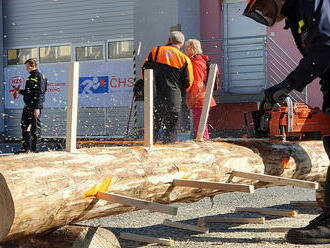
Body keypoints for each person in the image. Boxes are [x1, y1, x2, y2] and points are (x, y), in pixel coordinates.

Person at [243, 0, 330, 244]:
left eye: (263, 5)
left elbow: (325, 47)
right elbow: (319, 59)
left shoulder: (309, 3)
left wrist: (288, 84)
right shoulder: (295, 17)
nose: (264, 13)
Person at [142, 31, 194, 144]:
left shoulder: (155, 51)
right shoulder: (184, 59)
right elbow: (189, 82)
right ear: (181, 43)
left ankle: (147, 153)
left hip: (155, 96)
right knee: (171, 129)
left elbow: (144, 70)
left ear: (169, 40)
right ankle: (169, 154)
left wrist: (151, 86)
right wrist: (181, 92)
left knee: (153, 128)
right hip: (174, 99)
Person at [185, 39, 218, 140]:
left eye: (186, 49)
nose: (185, 51)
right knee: (202, 125)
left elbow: (197, 83)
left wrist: (191, 100)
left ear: (191, 49)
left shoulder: (196, 63)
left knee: (200, 127)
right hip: (203, 97)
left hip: (199, 99)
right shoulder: (201, 60)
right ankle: (203, 142)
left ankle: (203, 144)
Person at [15, 58, 47, 153]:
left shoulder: (39, 76)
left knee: (35, 128)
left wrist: (37, 108)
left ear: (33, 66)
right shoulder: (30, 77)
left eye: (27, 66)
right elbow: (29, 92)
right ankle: (26, 148)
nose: (26, 68)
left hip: (34, 107)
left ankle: (35, 150)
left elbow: (40, 93)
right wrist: (19, 91)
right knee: (24, 126)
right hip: (27, 106)